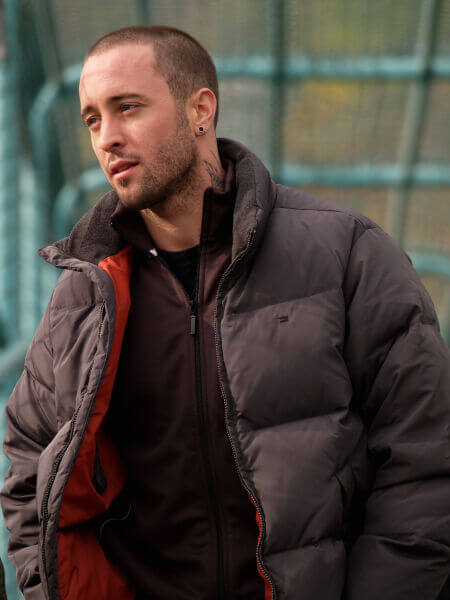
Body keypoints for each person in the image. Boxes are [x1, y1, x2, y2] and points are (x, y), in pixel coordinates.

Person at [1, 24, 449, 600]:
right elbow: (29, 473)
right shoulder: (82, 297)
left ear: (201, 110)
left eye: (127, 108)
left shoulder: (346, 254)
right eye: (92, 119)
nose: (106, 138)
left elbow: (424, 452)